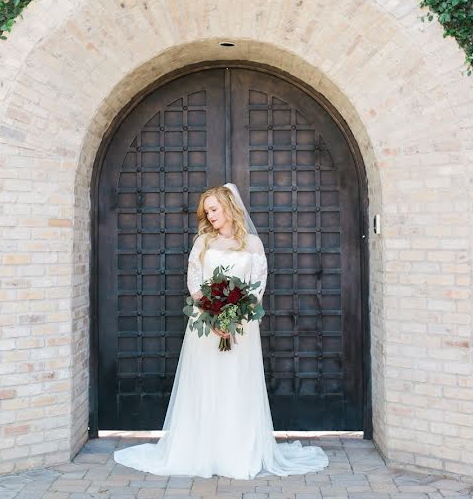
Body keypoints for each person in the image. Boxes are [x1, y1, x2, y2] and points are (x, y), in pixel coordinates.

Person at [113, 184, 329, 479]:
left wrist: (235, 315)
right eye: (207, 211)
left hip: (242, 327)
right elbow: (195, 283)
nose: (210, 215)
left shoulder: (252, 244)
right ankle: (203, 453)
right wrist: (213, 316)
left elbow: (257, 287)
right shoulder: (203, 242)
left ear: (229, 207)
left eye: (214, 209)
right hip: (205, 326)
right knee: (207, 386)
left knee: (237, 386)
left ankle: (237, 454)